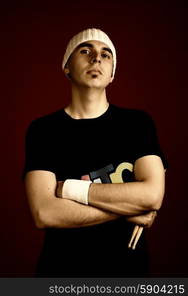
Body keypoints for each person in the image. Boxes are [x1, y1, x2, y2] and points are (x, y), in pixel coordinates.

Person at [23, 28, 167, 277]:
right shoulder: (43, 130)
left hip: (128, 275)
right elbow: (44, 212)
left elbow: (153, 196)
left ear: (112, 74)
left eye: (106, 54)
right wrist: (131, 208)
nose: (96, 59)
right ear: (67, 67)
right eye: (85, 51)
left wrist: (68, 189)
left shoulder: (137, 124)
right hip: (61, 273)